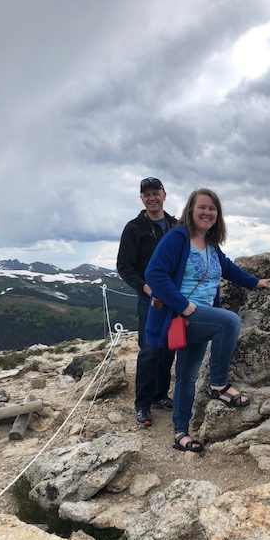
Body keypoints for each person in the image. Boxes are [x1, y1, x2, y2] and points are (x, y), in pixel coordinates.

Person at [145, 187, 270, 452]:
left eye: (212, 208)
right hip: (184, 316)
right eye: (202, 207)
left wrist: (256, 282)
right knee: (229, 322)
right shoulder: (177, 238)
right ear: (190, 210)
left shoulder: (211, 245)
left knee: (186, 376)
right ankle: (218, 384)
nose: (207, 212)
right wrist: (185, 306)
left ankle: (180, 433)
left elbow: (228, 269)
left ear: (218, 214)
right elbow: (154, 274)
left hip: (200, 318)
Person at [117, 177, 177, 426]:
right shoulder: (134, 227)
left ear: (164, 195)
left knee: (168, 348)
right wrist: (145, 286)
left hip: (173, 297)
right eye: (147, 194)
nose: (152, 198)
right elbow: (124, 265)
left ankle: (160, 396)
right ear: (142, 198)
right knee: (150, 349)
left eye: (156, 193)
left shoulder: (176, 225)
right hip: (149, 298)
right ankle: (142, 404)